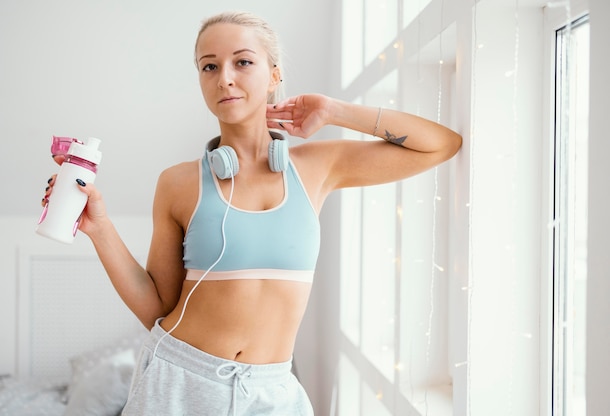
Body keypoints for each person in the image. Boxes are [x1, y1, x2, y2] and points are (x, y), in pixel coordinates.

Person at [43, 10, 462, 416]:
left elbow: (440, 144)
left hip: (272, 392)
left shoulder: (318, 166)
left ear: (274, 74)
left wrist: (334, 110)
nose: (224, 77)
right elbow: (158, 306)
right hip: (178, 382)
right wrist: (100, 229)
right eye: (209, 67)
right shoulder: (177, 183)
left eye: (242, 61)